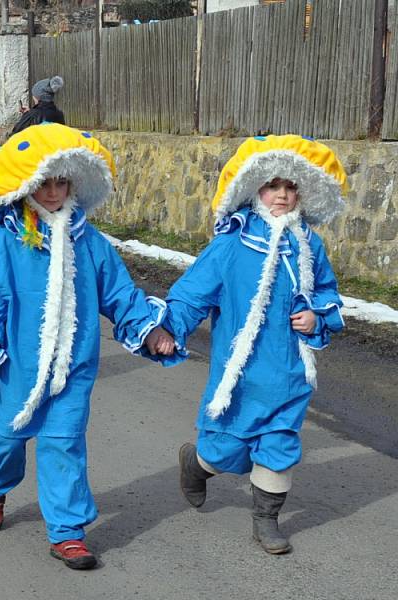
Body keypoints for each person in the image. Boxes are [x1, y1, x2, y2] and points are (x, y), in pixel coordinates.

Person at [0, 123, 179, 569]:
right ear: (29, 185)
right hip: (15, 364)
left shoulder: (89, 241)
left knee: (64, 444)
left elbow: (120, 294)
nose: (53, 192)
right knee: (5, 442)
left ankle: (68, 532)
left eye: (61, 182)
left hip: (72, 368)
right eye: (44, 183)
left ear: (73, 184)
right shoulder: (8, 239)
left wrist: (150, 330)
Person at [163, 135, 348, 555]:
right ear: (254, 190)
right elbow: (192, 293)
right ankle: (197, 463)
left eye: (289, 187)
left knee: (279, 446)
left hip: (288, 371)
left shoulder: (308, 243)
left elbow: (328, 291)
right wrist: (166, 331)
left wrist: (317, 314)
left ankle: (266, 521)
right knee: (225, 447)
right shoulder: (232, 243)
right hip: (241, 373)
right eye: (272, 186)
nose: (282, 195)